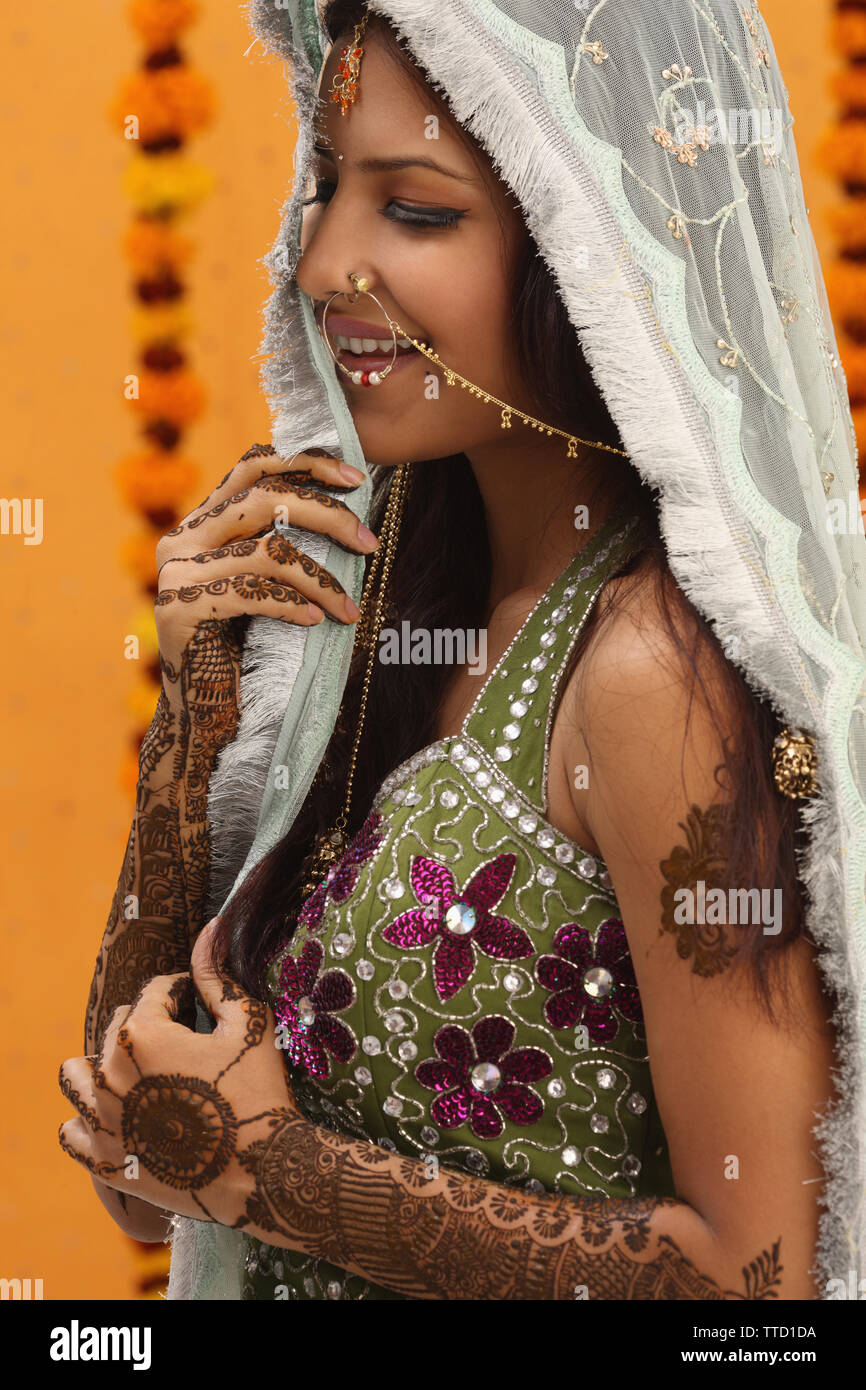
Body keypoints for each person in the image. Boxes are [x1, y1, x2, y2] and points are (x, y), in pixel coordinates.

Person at [59, 0, 866, 1301]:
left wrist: (280, 1178)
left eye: (416, 211)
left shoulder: (646, 674)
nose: (322, 264)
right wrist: (192, 715)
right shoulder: (357, 618)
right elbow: (133, 1173)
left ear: (592, 243)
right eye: (326, 193)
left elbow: (758, 1291)